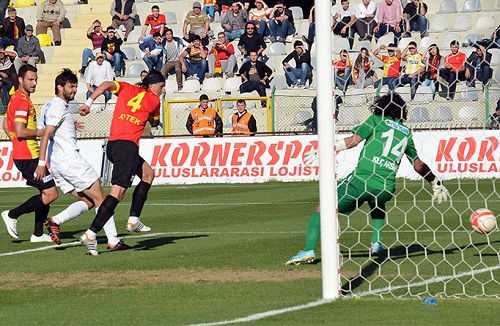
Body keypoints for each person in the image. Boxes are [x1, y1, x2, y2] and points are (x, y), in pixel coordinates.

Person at [285, 92, 450, 265]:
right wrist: (434, 181)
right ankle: (376, 243)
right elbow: (418, 165)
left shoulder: (376, 120)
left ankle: (308, 249)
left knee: (323, 208)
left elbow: (354, 141)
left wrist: (327, 149)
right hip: (386, 188)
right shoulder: (406, 133)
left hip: (362, 181)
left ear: (380, 106)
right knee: (377, 201)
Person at [35, 69, 129, 251]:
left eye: (76, 86)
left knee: (90, 201)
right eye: (71, 86)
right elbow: (46, 134)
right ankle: (112, 240)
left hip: (57, 163)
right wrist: (40, 164)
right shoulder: (58, 107)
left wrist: (69, 125)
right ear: (59, 87)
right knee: (102, 198)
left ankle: (55, 221)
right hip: (70, 161)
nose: (74, 90)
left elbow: (45, 129)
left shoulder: (48, 106)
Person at [78, 70, 166, 256]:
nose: (163, 89)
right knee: (116, 194)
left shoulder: (126, 88)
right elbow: (155, 123)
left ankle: (134, 219)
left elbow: (105, 84)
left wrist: (89, 102)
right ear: (152, 86)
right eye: (161, 86)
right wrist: (148, 114)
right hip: (128, 147)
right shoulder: (155, 100)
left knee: (148, 174)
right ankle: (91, 233)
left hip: (113, 145)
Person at [1, 64, 58, 243]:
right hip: (28, 156)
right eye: (30, 80)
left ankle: (38, 234)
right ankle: (12, 215)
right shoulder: (21, 100)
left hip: (25, 154)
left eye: (35, 80)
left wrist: (15, 141)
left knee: (46, 192)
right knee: (51, 193)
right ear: (20, 79)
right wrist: (44, 132)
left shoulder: (17, 98)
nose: (34, 83)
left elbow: (6, 125)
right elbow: (20, 131)